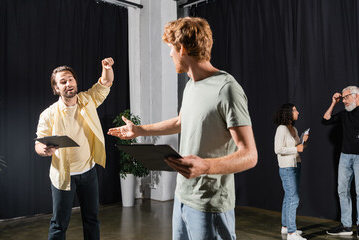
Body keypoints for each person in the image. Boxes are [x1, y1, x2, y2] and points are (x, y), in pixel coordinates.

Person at [108, 17, 257, 240]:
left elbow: (249, 155)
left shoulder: (227, 89)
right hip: (182, 197)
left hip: (210, 204)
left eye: (171, 49)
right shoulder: (191, 85)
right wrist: (140, 130)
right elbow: (181, 121)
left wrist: (205, 166)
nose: (170, 55)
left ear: (182, 48)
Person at [35, 57, 114, 240]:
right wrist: (44, 150)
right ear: (56, 88)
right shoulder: (49, 114)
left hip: (89, 172)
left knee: (92, 219)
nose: (68, 83)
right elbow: (38, 143)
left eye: (70, 79)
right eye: (62, 82)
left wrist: (107, 67)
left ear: (76, 82)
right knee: (59, 223)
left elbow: (106, 82)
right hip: (64, 175)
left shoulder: (88, 100)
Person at [323, 86, 359, 237]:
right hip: (345, 156)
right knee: (342, 191)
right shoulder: (345, 114)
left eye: (346, 98)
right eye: (342, 98)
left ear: (356, 96)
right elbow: (325, 120)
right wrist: (333, 103)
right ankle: (346, 226)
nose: (344, 101)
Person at [273, 103, 309, 240]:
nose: (298, 112)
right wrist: (296, 149)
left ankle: (286, 227)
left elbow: (299, 147)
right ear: (288, 112)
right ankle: (291, 233)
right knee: (293, 198)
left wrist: (304, 141)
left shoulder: (293, 128)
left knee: (289, 197)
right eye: (295, 110)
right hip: (287, 168)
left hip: (296, 165)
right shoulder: (281, 129)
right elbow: (278, 149)